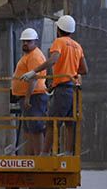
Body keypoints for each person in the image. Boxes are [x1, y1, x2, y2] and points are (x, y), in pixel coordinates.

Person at [19, 14, 87, 155]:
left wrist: (33, 72)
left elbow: (53, 60)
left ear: (58, 29)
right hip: (72, 88)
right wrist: (71, 71)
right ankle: (68, 152)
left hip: (63, 88)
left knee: (51, 122)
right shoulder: (77, 46)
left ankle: (44, 154)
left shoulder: (59, 42)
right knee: (69, 122)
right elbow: (84, 69)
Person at [11, 28, 48, 156]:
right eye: (24, 41)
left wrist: (27, 98)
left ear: (35, 42)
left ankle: (39, 158)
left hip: (34, 97)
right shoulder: (29, 56)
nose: (25, 43)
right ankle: (30, 158)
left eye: (28, 41)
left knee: (36, 128)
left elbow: (33, 78)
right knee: (29, 129)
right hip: (29, 96)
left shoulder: (35, 56)